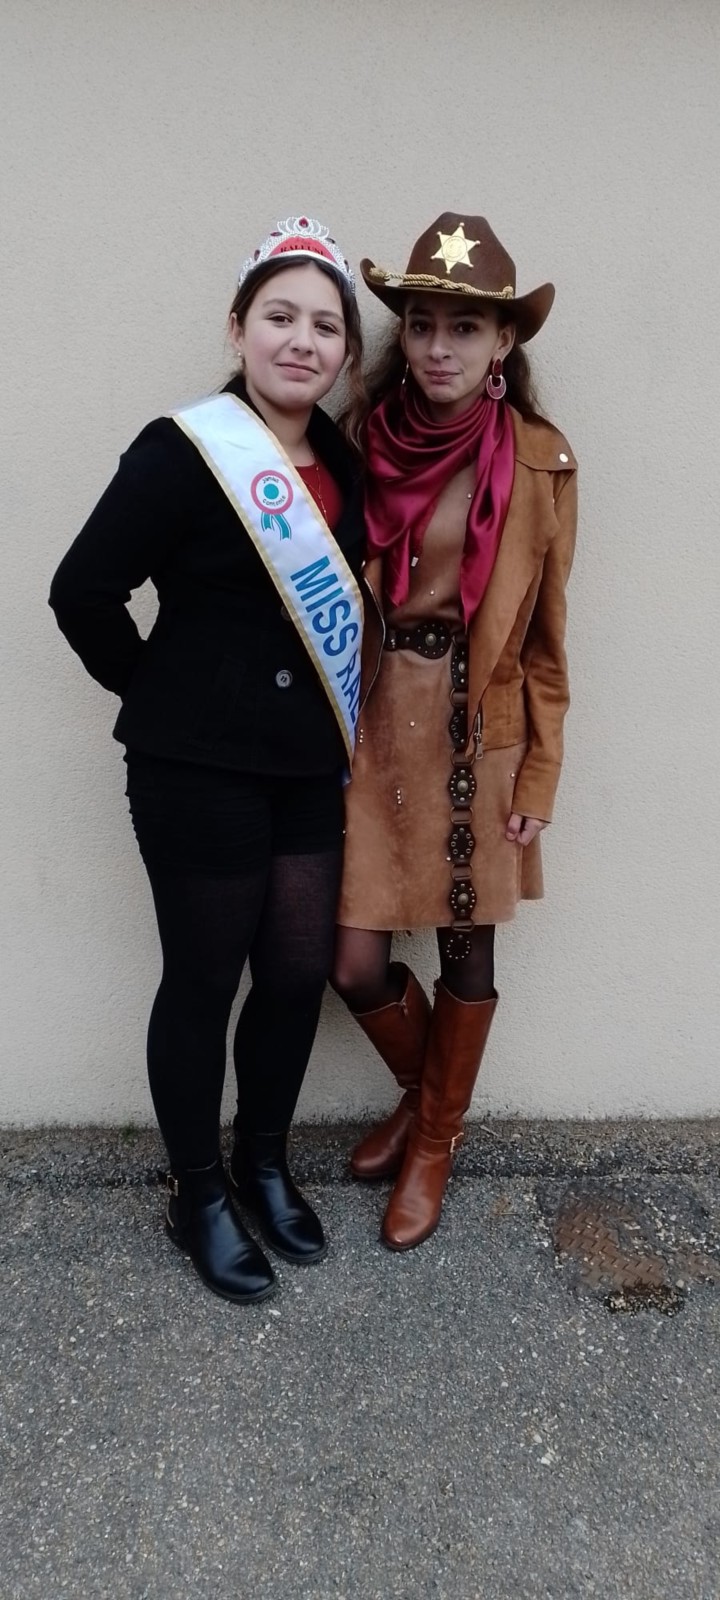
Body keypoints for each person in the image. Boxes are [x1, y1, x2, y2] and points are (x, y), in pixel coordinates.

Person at [50, 216, 366, 1303]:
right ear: (237, 329)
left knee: (294, 974)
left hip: (306, 767)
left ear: (346, 354)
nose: (302, 341)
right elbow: (82, 592)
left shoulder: (344, 464)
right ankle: (197, 1192)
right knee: (205, 978)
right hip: (197, 771)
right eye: (280, 316)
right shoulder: (182, 450)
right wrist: (161, 695)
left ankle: (262, 1164)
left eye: (325, 326)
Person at [333, 213, 578, 1251]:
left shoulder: (540, 463)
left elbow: (549, 640)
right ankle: (424, 1097)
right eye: (424, 325)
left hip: (480, 730)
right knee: (351, 959)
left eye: (465, 329)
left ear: (503, 343)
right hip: (370, 722)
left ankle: (433, 1141)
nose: (440, 348)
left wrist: (540, 780)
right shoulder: (357, 440)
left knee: (464, 951)